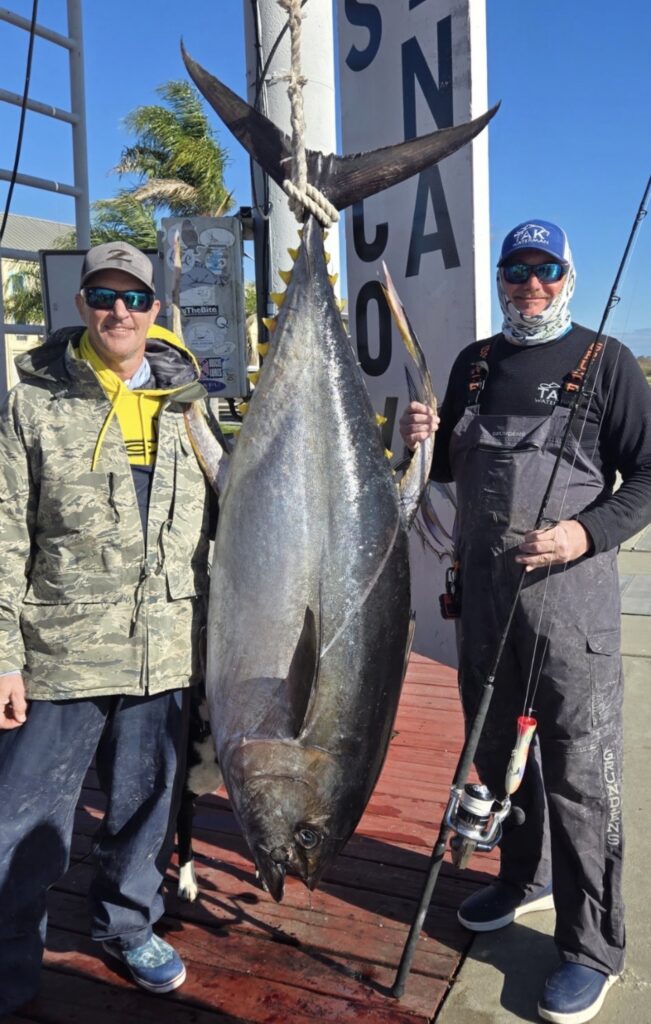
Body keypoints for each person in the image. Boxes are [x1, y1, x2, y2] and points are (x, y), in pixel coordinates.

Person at [399, 219, 651, 1024]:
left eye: (544, 269)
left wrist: (585, 531)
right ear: (501, 278)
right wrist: (422, 441)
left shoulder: (606, 362)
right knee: (501, 753)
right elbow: (448, 473)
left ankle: (591, 946)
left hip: (569, 611)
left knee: (581, 777)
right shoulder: (475, 364)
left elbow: (646, 476)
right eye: (516, 269)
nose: (529, 283)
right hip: (482, 603)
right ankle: (523, 876)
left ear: (567, 275)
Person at [0, 241, 217, 1015]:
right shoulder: (32, 403)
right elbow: (5, 535)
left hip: (164, 653)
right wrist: (3, 658)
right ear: (81, 305)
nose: (117, 311)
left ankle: (127, 926)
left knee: (145, 806)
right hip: (59, 654)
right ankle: (7, 959)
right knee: (22, 821)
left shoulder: (193, 407)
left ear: (155, 309)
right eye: (102, 295)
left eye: (133, 298)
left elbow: (245, 510)